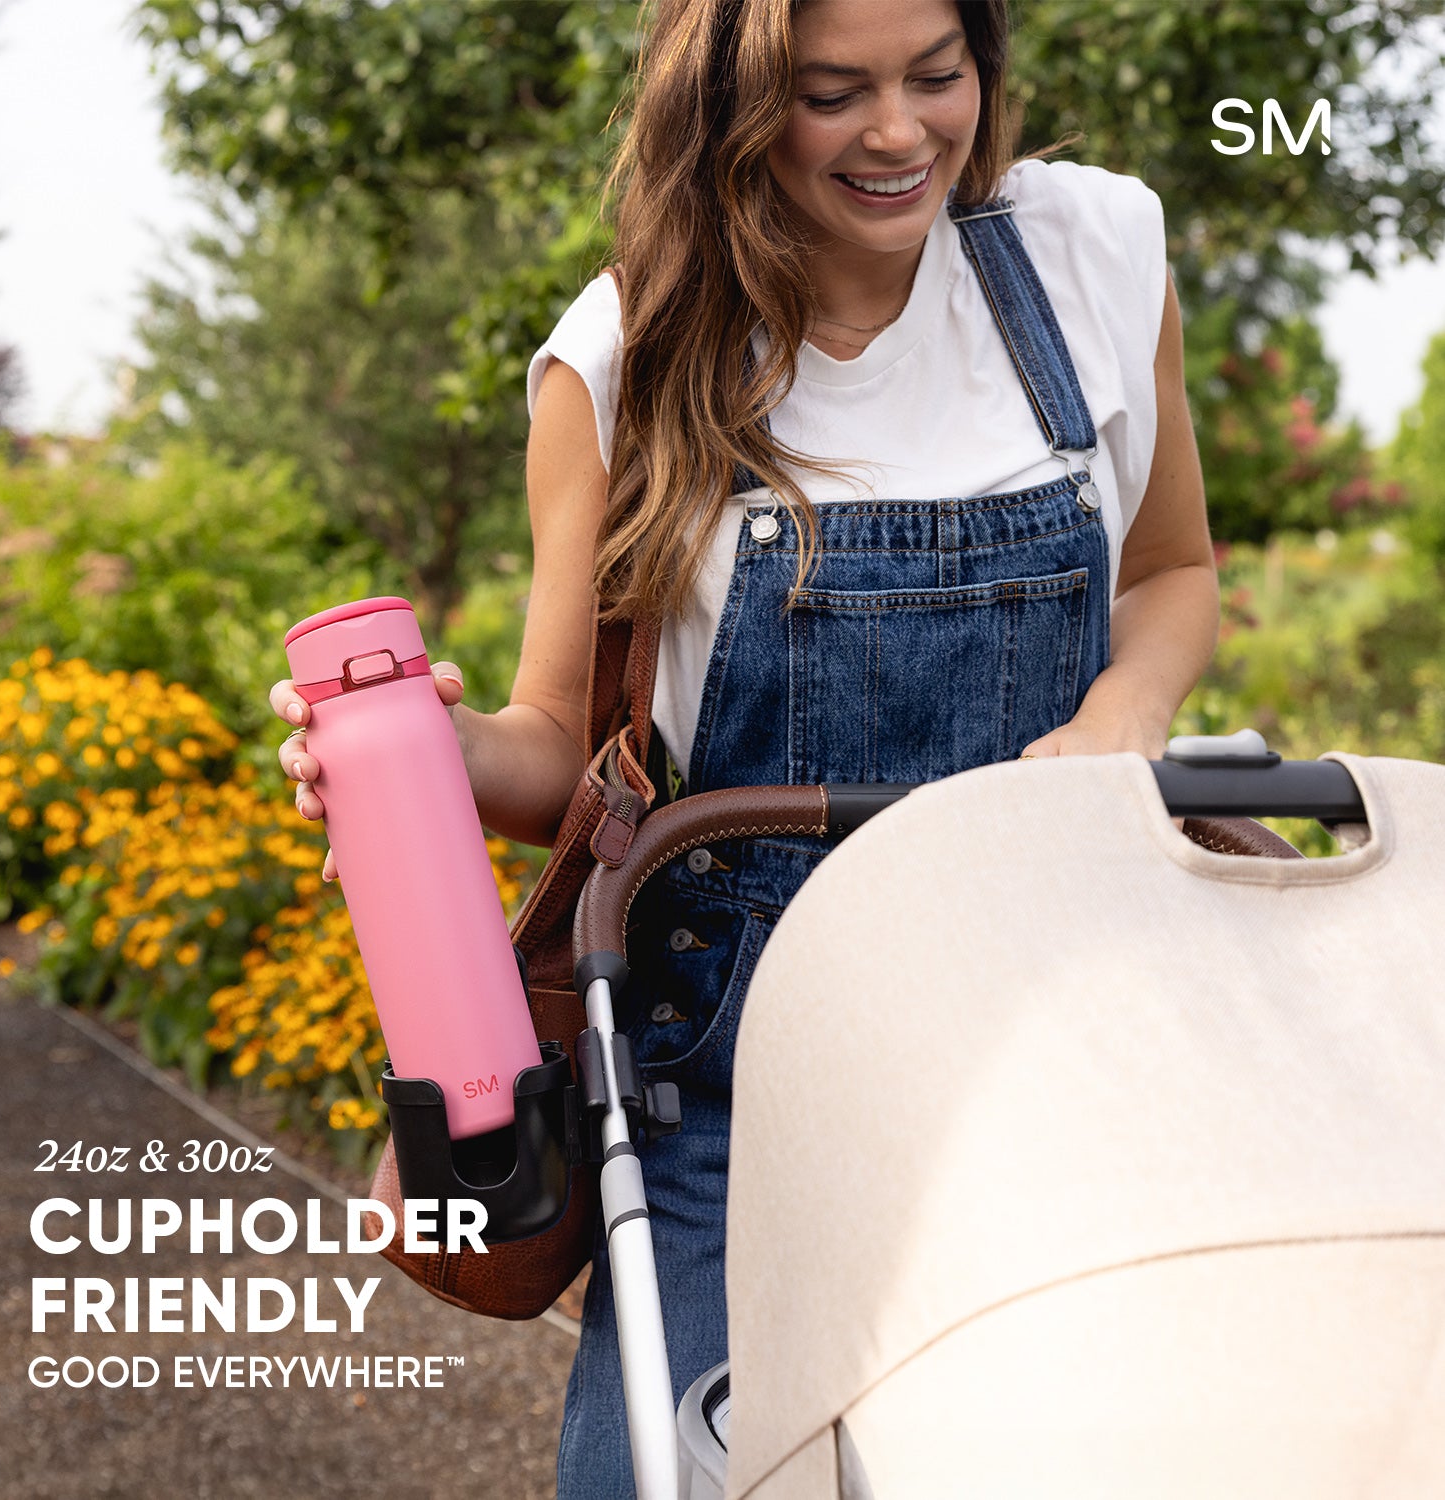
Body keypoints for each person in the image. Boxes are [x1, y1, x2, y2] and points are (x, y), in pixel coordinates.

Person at [271, 0, 1218, 1491]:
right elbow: (560, 753)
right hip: (735, 1093)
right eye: (833, 93)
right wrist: (433, 755)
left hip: (1070, 1059)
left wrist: (1121, 718)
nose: (902, 134)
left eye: (938, 76)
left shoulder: (1088, 259)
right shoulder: (630, 357)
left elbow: (1172, 575)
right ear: (733, 104)